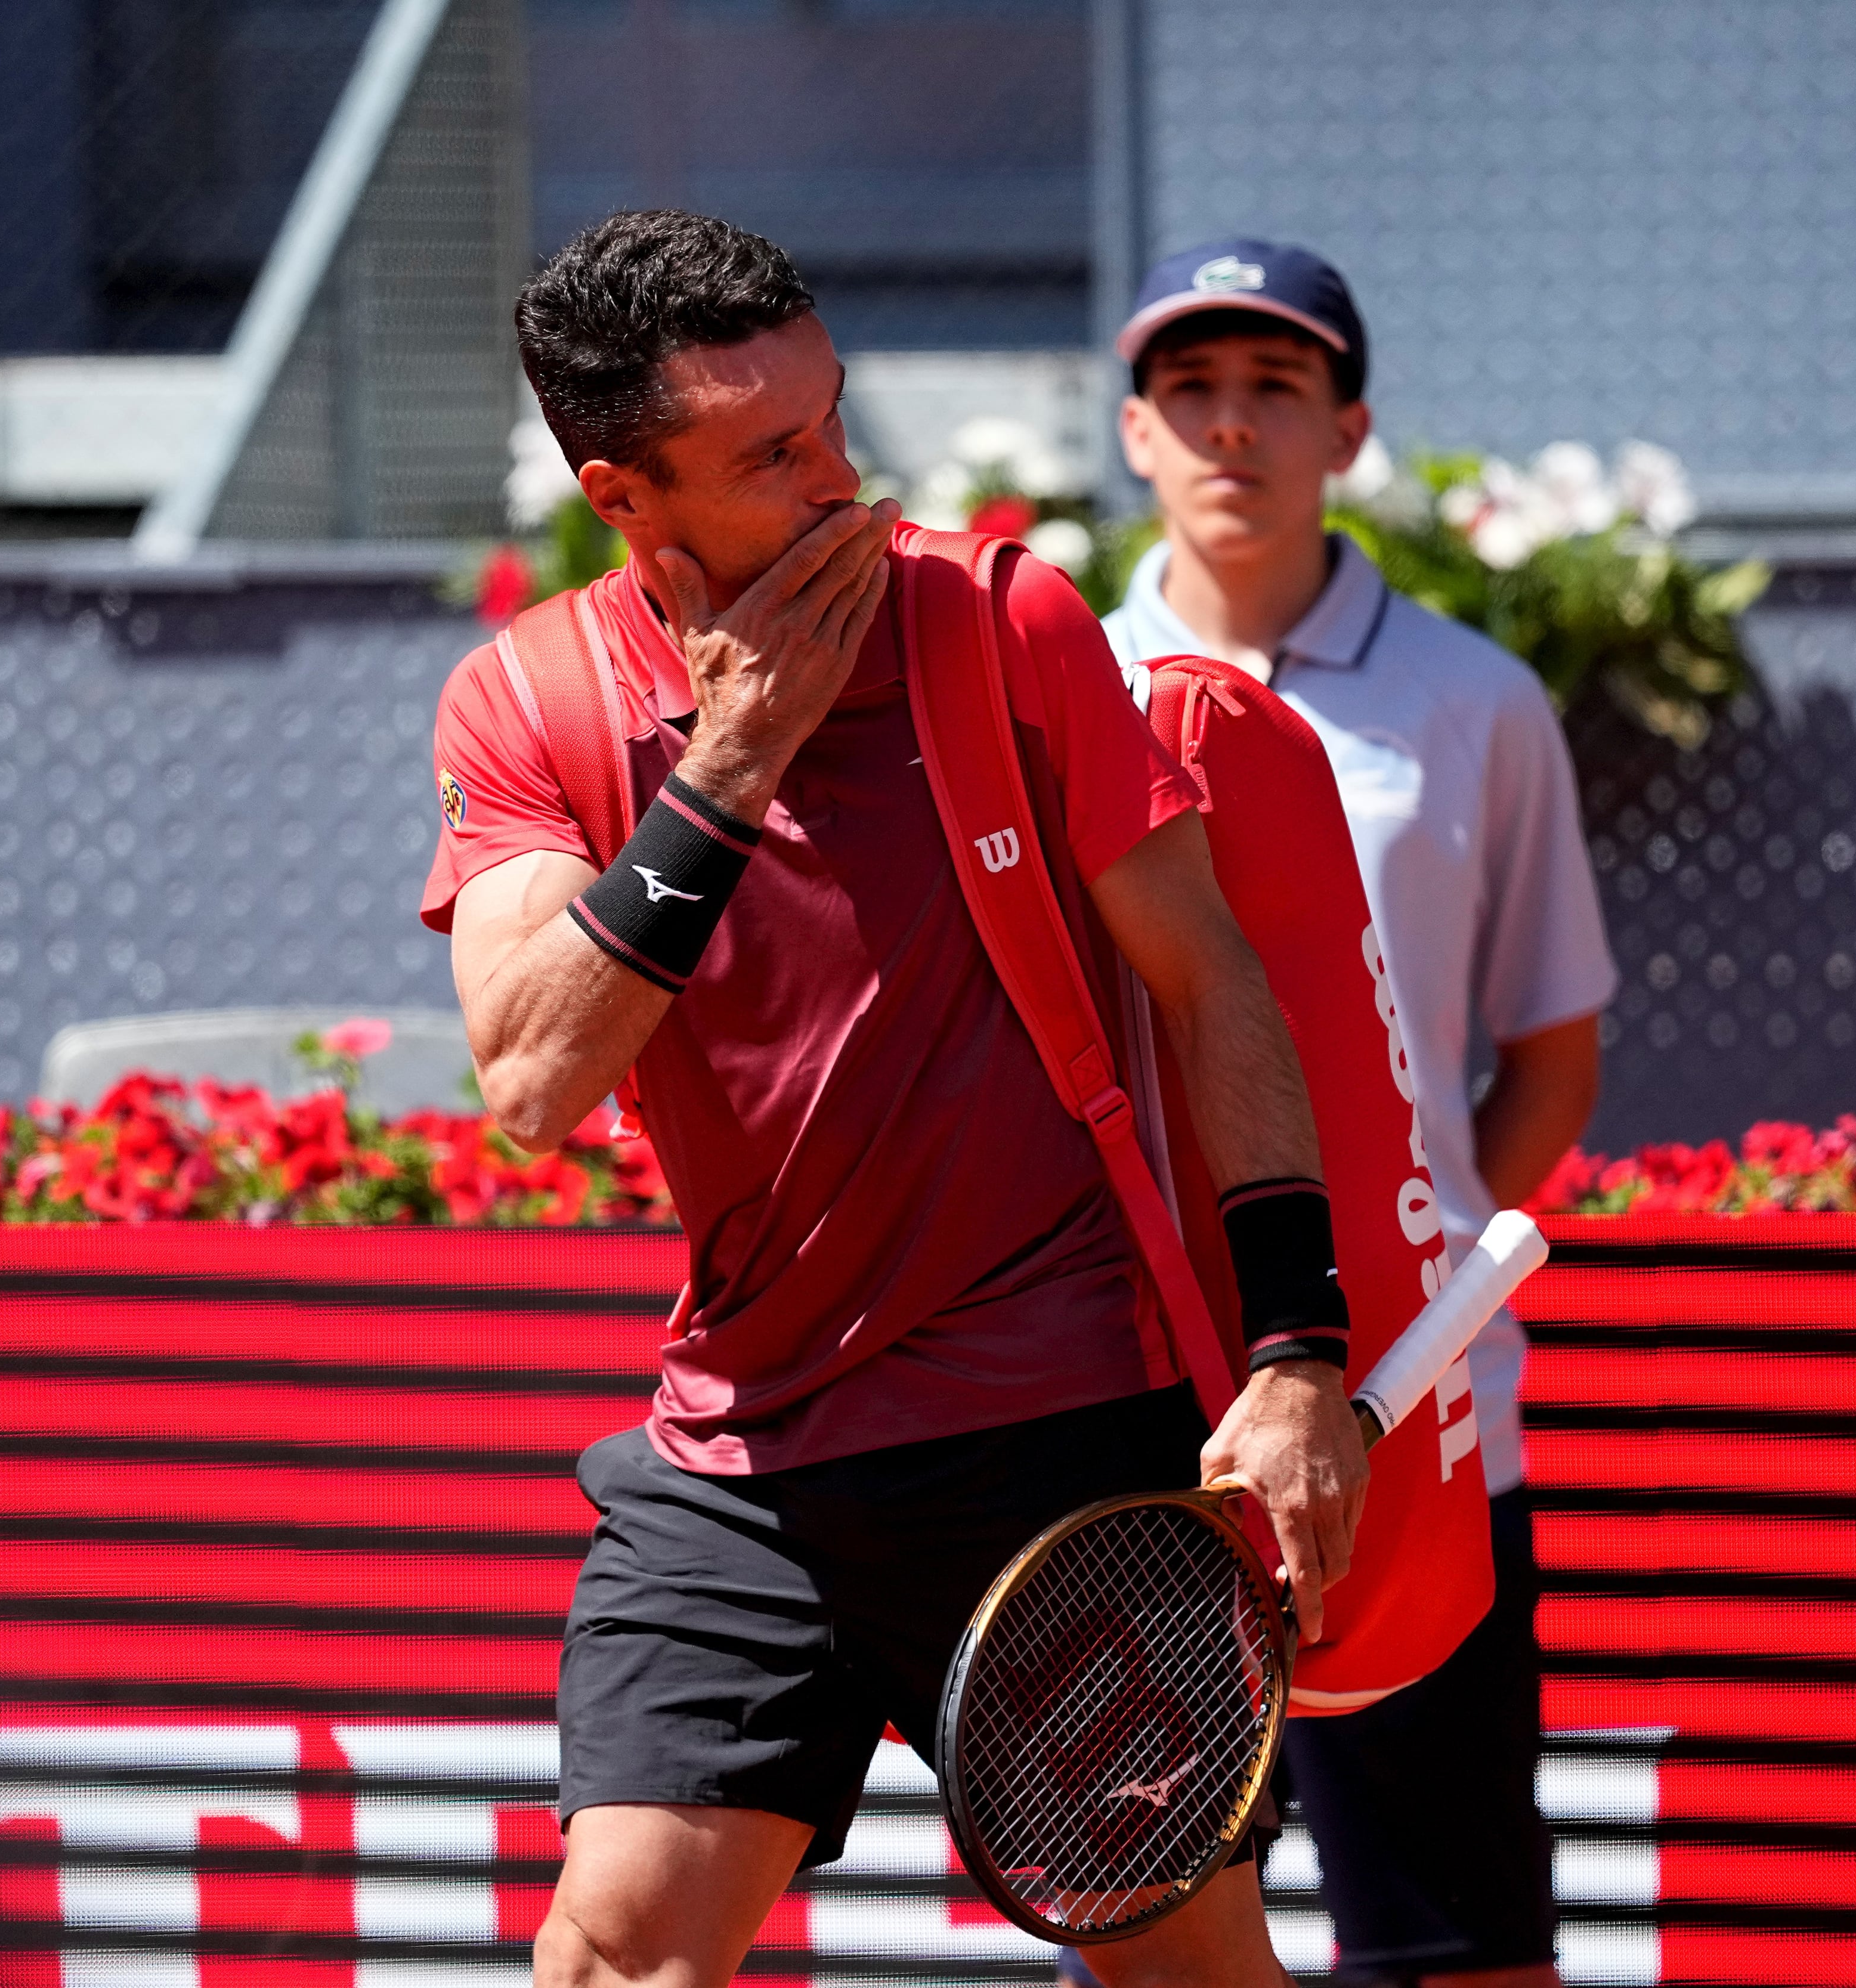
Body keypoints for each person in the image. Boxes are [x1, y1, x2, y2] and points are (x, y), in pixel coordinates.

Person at [421, 210, 1370, 1988]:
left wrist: (1295, 1355)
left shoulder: (1003, 625)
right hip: (739, 1465)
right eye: (772, 456)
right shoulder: (528, 700)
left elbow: (1207, 980)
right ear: (626, 497)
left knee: (1192, 1975)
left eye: (833, 417)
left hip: (1055, 1437)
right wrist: (728, 766)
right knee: (610, 1959)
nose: (841, 479)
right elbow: (535, 1075)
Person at [1098, 239, 1615, 1988]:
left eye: (1277, 390)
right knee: (1148, 1944)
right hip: (1137, 1418)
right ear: (1135, 432)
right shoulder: (1055, 691)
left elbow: (1550, 1048)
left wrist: (1414, 1278)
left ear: (1352, 431)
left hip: (1417, 1421)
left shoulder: (1475, 700)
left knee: (1456, 1949)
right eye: (1194, 391)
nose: (1232, 427)